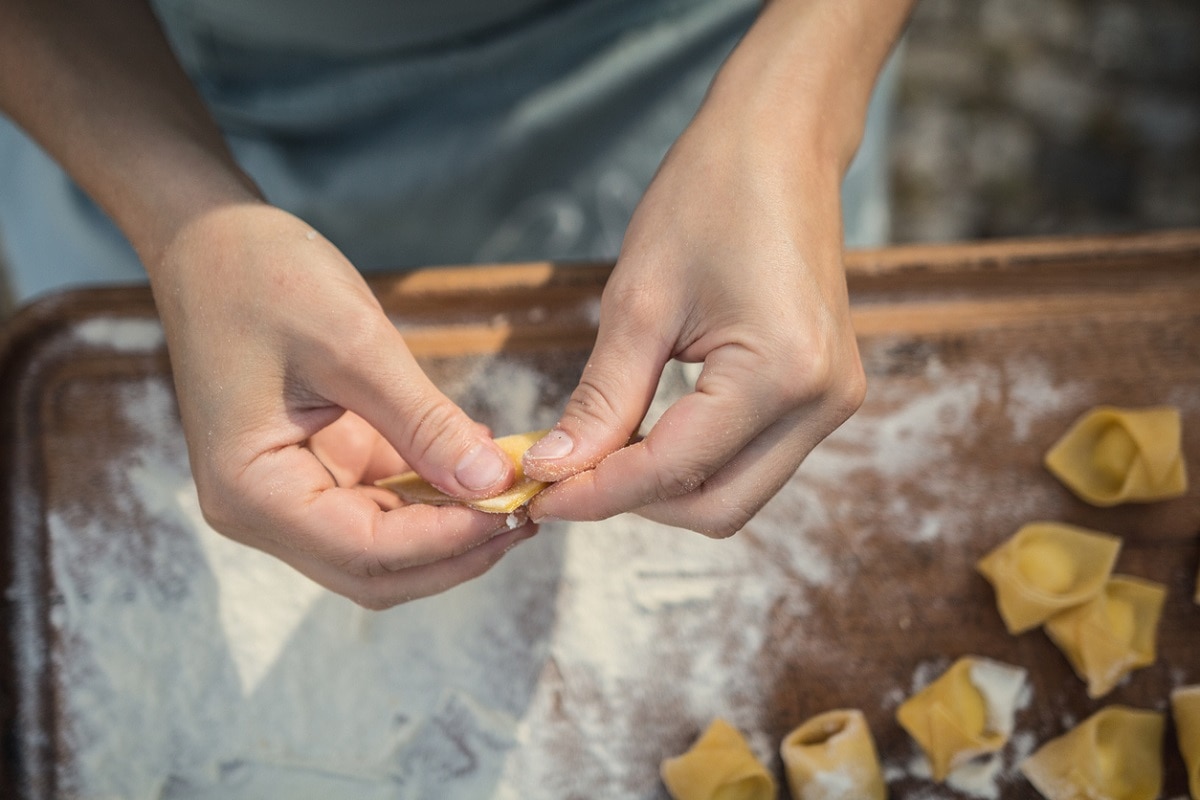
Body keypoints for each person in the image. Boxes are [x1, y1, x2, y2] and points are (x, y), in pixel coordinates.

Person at [0, 0, 913, 608]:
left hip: (719, 78)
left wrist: (797, 115)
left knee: (756, 466)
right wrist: (186, 226)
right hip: (144, 99)